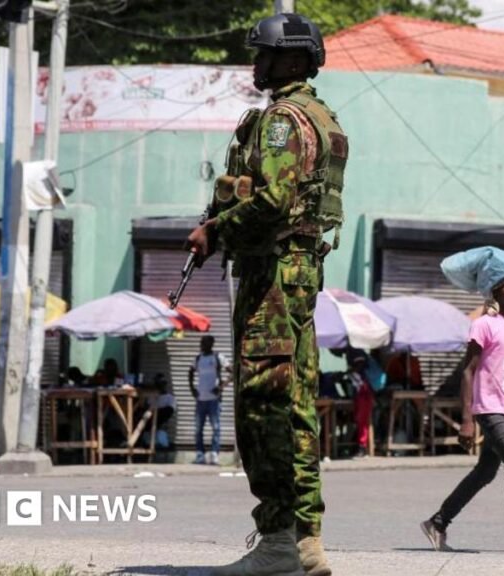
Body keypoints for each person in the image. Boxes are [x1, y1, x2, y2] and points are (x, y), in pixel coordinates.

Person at [187, 13, 346, 576]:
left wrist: (216, 230)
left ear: (297, 61)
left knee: (263, 405)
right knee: (296, 404)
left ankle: (280, 541)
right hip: (299, 270)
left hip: (273, 273)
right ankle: (305, 543)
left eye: (266, 56)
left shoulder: (282, 120)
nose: (256, 65)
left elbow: (274, 199)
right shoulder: (321, 117)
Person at [421, 248, 504, 556]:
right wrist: (467, 420)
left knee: (485, 473)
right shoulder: (483, 325)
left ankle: (437, 523)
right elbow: (467, 372)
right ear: (495, 289)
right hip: (489, 409)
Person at [189, 335, 226, 465]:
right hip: (201, 399)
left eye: (204, 342)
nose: (201, 345)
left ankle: (214, 454)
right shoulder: (198, 358)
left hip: (214, 400)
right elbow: (191, 372)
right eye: (201, 342)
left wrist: (221, 387)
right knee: (198, 428)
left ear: (211, 344)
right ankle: (200, 454)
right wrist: (192, 389)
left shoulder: (217, 357)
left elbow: (232, 371)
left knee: (216, 427)